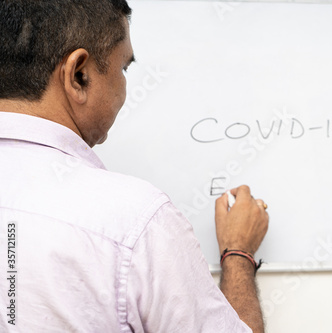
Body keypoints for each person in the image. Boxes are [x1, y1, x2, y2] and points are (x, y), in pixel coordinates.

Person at [0, 1, 269, 332]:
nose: (125, 85)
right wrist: (238, 254)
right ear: (78, 75)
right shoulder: (136, 220)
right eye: (123, 68)